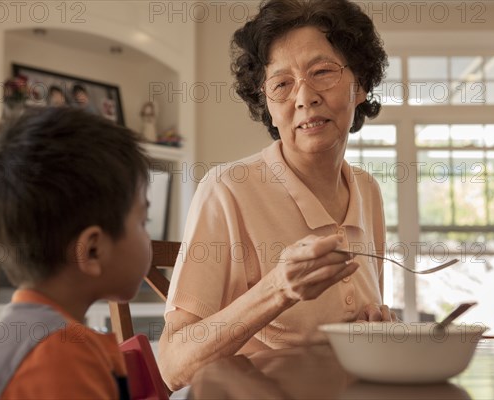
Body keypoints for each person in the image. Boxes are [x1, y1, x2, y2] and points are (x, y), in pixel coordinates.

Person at [159, 0, 394, 390]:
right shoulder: (225, 190)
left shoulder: (368, 190)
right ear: (266, 104)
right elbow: (172, 366)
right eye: (282, 84)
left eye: (322, 72)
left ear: (361, 86)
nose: (304, 97)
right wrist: (278, 288)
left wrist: (375, 332)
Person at [0, 107, 153, 399]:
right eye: (143, 222)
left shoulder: (38, 335)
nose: (149, 237)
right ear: (92, 250)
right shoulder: (59, 353)